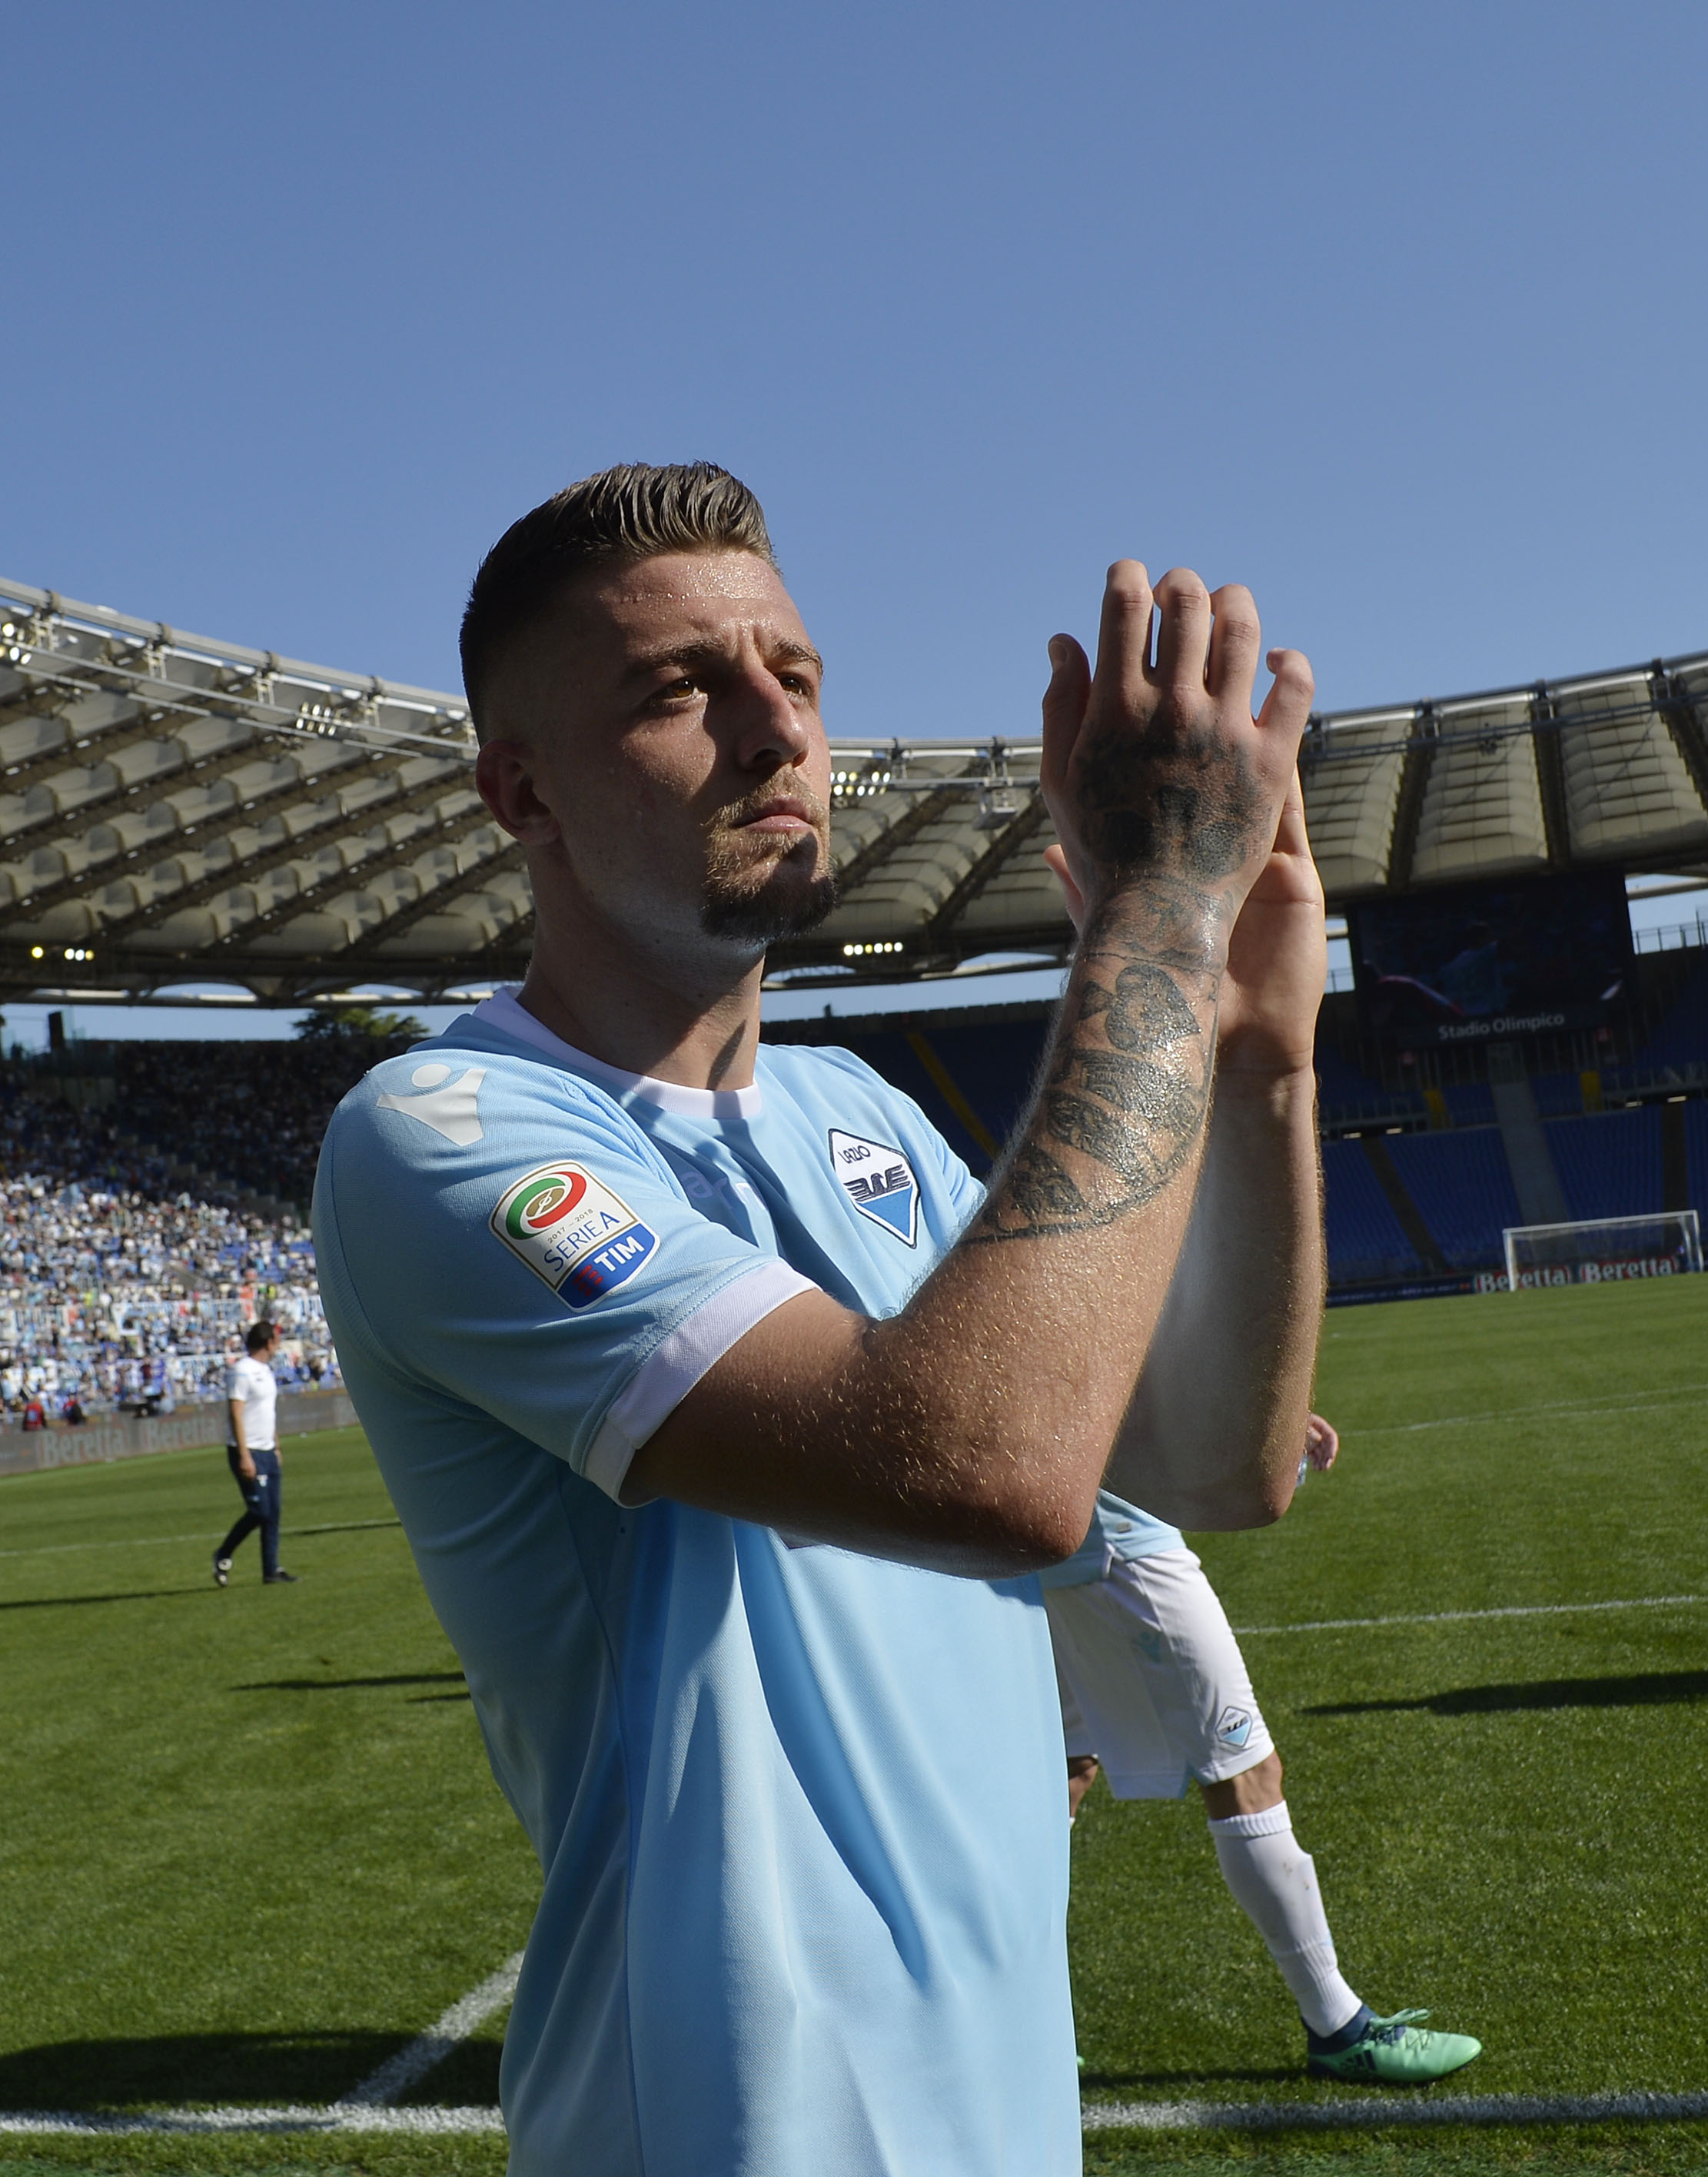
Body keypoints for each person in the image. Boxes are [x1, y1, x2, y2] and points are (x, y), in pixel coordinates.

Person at [313, 465, 1324, 2172]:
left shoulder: (852, 1105)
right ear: (522, 790)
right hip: (737, 2129)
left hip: (1004, 2114)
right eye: (678, 690)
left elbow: (1215, 1462)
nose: (776, 730)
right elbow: (993, 1468)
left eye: (796, 674)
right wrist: (1152, 919)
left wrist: (1258, 1048)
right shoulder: (443, 1134)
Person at [1048, 1414, 1477, 2084]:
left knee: (1063, 1773)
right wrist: (1256, 1415)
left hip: (1045, 1534)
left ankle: (1022, 2028)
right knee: (1246, 1772)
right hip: (1118, 1540)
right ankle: (1339, 2027)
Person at [212, 1321, 294, 1588]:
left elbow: (267, 1414)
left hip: (267, 1451)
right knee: (259, 1511)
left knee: (273, 1513)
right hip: (248, 1452)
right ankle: (223, 1553)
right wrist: (245, 1455)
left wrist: (276, 1445)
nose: (278, 1344)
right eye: (276, 1340)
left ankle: (271, 1570)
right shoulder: (241, 1371)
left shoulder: (265, 1371)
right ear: (268, 1342)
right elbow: (235, 1414)